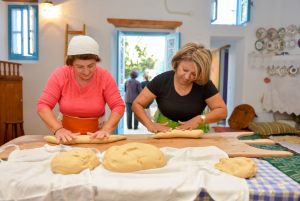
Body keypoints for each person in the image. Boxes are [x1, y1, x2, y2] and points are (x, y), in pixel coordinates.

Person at [37, 35, 125, 143]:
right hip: (65, 136)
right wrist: (58, 129)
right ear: (71, 64)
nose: (86, 72)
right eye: (80, 67)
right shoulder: (60, 75)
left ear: (96, 61)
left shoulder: (104, 76)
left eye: (91, 66)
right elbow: (43, 105)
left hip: (97, 136)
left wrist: (106, 129)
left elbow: (118, 105)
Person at [132, 42, 227, 133]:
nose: (187, 77)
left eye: (194, 74)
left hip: (197, 132)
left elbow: (222, 111)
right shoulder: (162, 80)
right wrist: (150, 124)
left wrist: (200, 119)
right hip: (164, 131)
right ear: (177, 63)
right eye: (185, 70)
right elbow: (137, 104)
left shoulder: (204, 84)